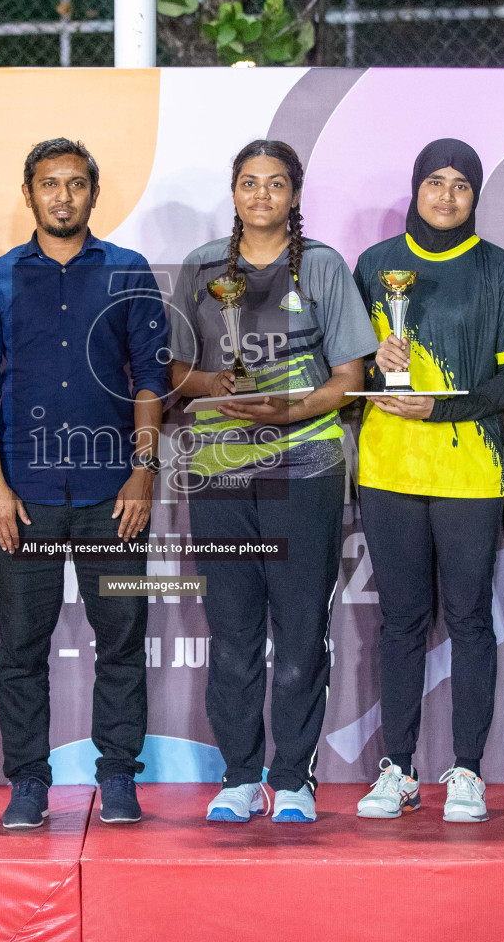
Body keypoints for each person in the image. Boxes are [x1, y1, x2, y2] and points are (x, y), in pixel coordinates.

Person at [168, 141, 373, 824]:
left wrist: (289, 408)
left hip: (304, 465)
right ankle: (237, 774)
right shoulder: (200, 268)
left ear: (295, 193)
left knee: (299, 626)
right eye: (249, 183)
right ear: (233, 192)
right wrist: (214, 385)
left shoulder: (321, 267)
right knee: (231, 629)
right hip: (219, 469)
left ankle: (293, 778)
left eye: (275, 184)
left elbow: (349, 381)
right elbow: (172, 373)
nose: (261, 196)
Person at [0, 138, 169, 830]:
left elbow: (151, 379)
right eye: (49, 184)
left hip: (116, 495)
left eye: (75, 184)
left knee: (122, 641)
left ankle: (118, 778)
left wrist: (144, 473)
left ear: (93, 193)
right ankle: (28, 783)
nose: (62, 196)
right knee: (22, 649)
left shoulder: (128, 271)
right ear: (29, 194)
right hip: (25, 498)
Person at [352, 138, 504, 823]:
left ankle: (467, 770)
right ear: (416, 186)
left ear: (476, 194)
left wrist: (444, 406)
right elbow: (347, 377)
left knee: (467, 620)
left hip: (469, 470)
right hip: (388, 469)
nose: (448, 195)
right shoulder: (373, 267)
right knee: (400, 622)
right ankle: (397, 769)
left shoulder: (499, 270)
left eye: (462, 184)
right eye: (436, 181)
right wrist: (376, 367)